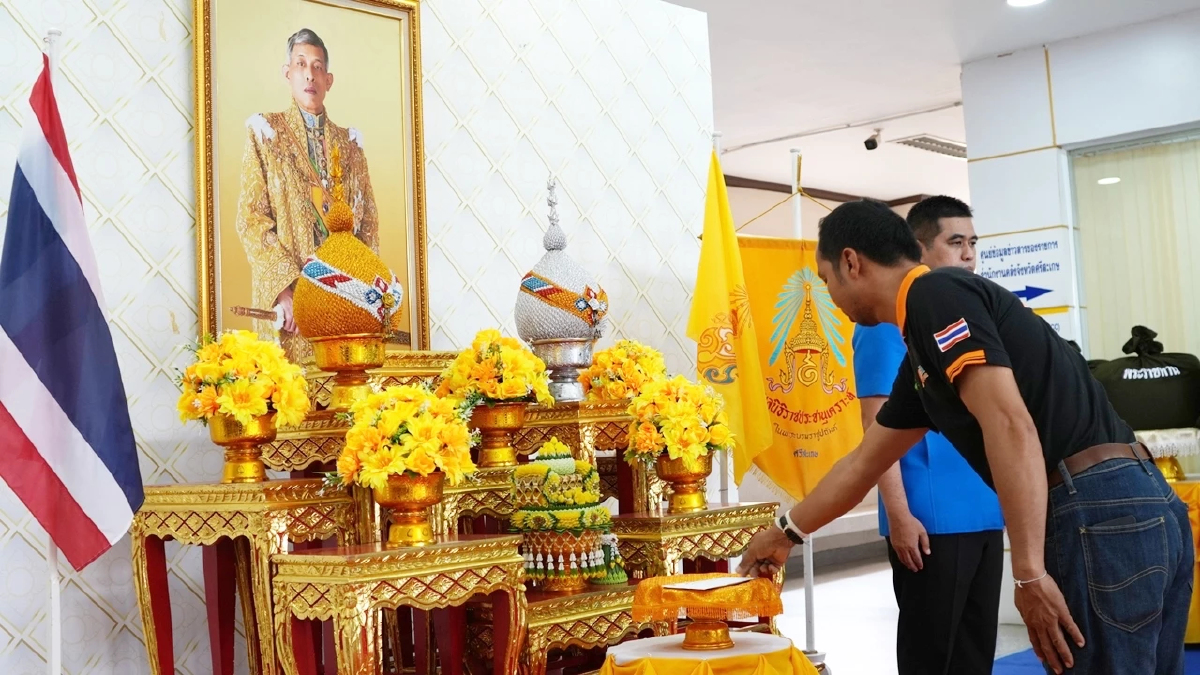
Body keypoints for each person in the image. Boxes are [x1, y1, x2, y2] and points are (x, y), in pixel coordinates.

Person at [738, 199, 1193, 675]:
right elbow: (862, 463)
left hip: (1096, 510)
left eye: (826, 277)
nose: (829, 293)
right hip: (1137, 502)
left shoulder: (935, 295)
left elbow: (1008, 424)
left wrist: (1028, 572)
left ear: (851, 262)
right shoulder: (922, 352)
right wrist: (785, 532)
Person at [854, 196, 1004, 674]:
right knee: (930, 655)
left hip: (983, 504)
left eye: (973, 243)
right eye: (955, 242)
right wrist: (899, 514)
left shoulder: (966, 312)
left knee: (975, 653)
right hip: (929, 516)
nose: (968, 255)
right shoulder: (884, 325)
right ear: (919, 249)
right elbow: (876, 424)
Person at [235, 28, 379, 362]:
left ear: (329, 80)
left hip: (342, 299)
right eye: (301, 64)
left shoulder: (351, 145)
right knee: (291, 402)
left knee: (344, 401)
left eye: (317, 67)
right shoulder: (265, 132)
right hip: (290, 306)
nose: (309, 74)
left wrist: (362, 292)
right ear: (288, 74)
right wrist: (284, 292)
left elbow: (368, 226)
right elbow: (251, 220)